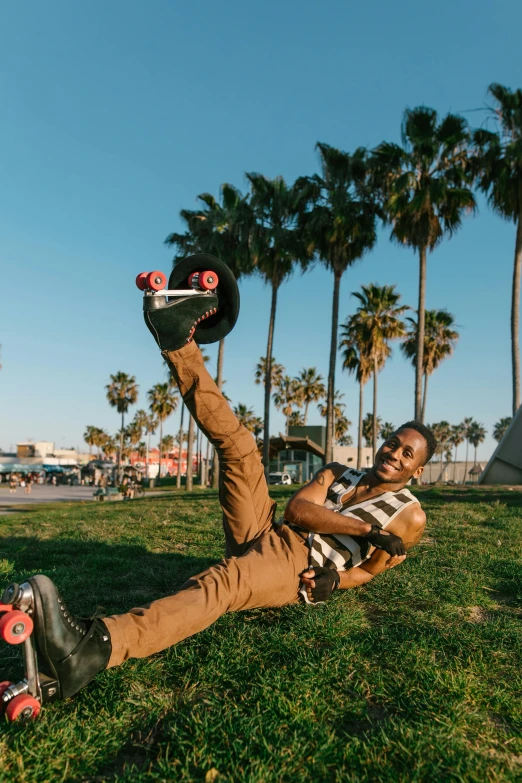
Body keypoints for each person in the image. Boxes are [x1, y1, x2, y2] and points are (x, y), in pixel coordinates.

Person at [10, 259, 433, 704]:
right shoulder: (338, 473)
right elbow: (298, 512)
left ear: (416, 470)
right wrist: (367, 531)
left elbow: (368, 571)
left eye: (407, 454)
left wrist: (332, 581)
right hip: (271, 529)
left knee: (222, 583)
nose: (393, 454)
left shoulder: (410, 515)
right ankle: (177, 341)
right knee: (239, 447)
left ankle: (92, 649)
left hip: (293, 565)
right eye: (392, 443)